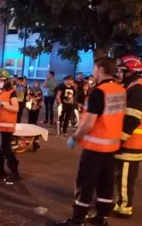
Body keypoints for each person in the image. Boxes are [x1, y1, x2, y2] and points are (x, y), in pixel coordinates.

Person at [55, 57, 126, 226]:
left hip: (95, 147)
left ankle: (77, 220)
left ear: (100, 69)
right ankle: (102, 217)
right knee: (105, 183)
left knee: (85, 183)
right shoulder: (120, 90)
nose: (93, 72)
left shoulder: (99, 92)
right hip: (112, 146)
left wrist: (75, 137)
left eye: (94, 68)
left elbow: (89, 123)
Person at [112, 55, 142, 218]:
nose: (119, 74)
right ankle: (121, 203)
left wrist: (121, 139)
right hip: (130, 140)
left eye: (121, 71)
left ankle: (124, 208)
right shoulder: (133, 87)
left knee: (125, 178)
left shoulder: (137, 89)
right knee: (121, 176)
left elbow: (132, 118)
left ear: (130, 72)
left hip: (131, 142)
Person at [0, 69, 20, 183]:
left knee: (6, 149)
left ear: (6, 81)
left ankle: (14, 172)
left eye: (1, 80)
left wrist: (2, 104)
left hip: (6, 125)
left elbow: (16, 108)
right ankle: (0, 169)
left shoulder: (11, 92)